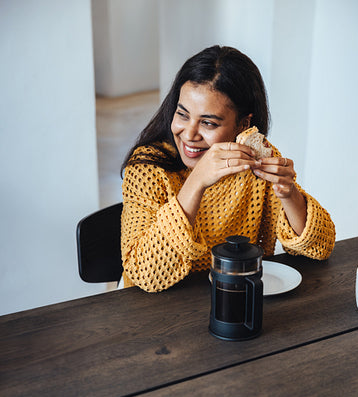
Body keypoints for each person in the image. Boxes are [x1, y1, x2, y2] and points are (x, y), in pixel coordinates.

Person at [120, 45, 335, 292]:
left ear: (243, 125)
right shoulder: (147, 167)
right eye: (182, 114)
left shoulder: (256, 159)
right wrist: (197, 181)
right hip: (160, 310)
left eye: (208, 123)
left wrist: (289, 195)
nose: (189, 134)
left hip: (236, 298)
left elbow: (319, 248)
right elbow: (144, 276)